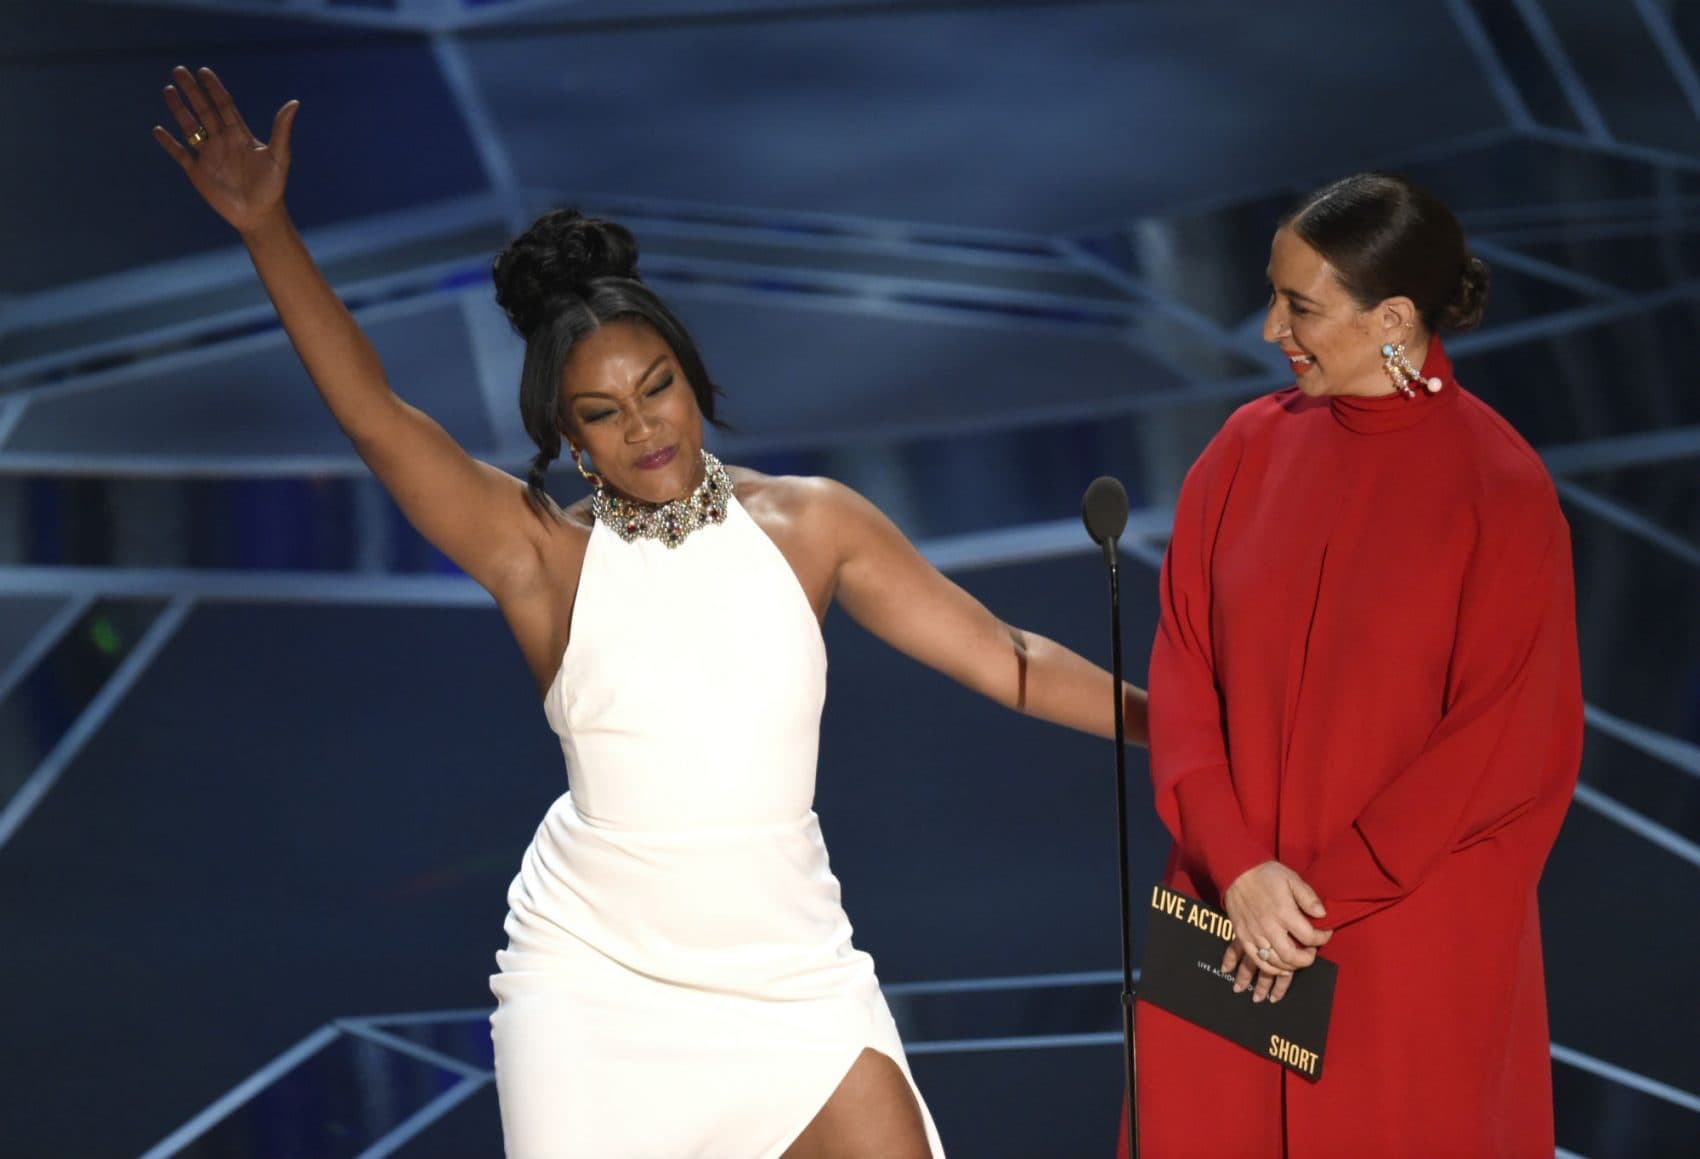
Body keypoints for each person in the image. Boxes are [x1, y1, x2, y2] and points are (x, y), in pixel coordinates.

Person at [153, 67, 1149, 1159]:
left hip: (793, 971)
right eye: (601, 413)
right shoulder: (542, 557)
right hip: (595, 988)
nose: (641, 427)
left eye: (656, 386)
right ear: (570, 437)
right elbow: (380, 421)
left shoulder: (813, 525)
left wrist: (1182, 727)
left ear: (691, 374)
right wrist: (268, 233)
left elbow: (1006, 658)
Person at [1124, 172, 1583, 1158]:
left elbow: (1499, 746)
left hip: (1393, 939)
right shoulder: (1243, 449)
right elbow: (1183, 671)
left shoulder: (1495, 488)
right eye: (1272, 294)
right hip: (1224, 906)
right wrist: (1238, 869)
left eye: (1298, 307)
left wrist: (1310, 904)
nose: (1267, 330)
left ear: (1393, 317)